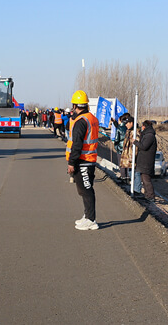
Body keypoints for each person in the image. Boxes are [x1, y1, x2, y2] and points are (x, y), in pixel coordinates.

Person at [66, 90, 100, 231]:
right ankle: (87, 216)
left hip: (83, 160)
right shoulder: (91, 118)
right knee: (84, 190)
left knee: (86, 190)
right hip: (88, 159)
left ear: (75, 105)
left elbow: (77, 145)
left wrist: (71, 163)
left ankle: (91, 220)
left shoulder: (81, 121)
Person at [134, 120, 158, 201]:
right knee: (143, 178)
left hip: (147, 160)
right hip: (144, 160)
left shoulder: (149, 136)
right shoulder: (146, 134)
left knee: (146, 179)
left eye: (142, 126)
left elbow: (144, 146)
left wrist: (135, 142)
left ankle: (151, 195)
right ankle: (147, 195)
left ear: (145, 126)